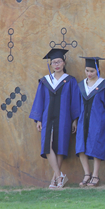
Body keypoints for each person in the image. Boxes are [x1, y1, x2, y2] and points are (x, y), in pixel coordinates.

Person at [29, 48, 80, 189]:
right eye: (54, 62)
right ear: (50, 64)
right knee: (47, 146)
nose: (56, 65)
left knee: (61, 146)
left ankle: (55, 180)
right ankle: (59, 176)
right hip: (47, 117)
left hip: (64, 117)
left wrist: (75, 120)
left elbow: (75, 101)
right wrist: (39, 119)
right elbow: (39, 100)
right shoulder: (45, 81)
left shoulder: (70, 81)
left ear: (64, 63)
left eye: (59, 62)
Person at [75, 56, 105, 187]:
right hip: (82, 120)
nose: (89, 73)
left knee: (96, 146)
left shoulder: (104, 86)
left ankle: (95, 175)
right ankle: (86, 174)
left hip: (98, 120)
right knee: (80, 147)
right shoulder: (81, 85)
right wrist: (74, 120)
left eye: (92, 71)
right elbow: (76, 105)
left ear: (98, 70)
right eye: (87, 70)